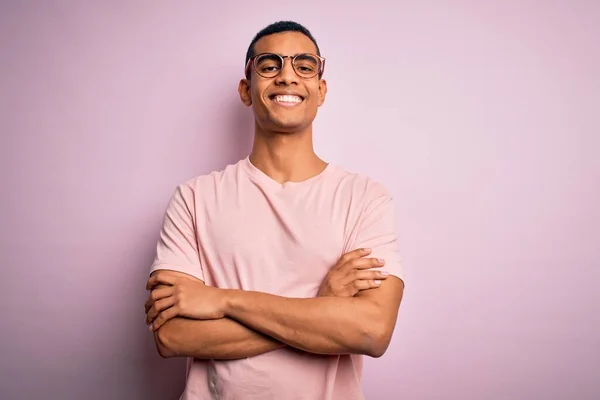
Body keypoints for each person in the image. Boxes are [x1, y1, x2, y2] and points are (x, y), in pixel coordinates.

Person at [144, 20, 405, 400]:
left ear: (321, 89)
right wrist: (322, 309)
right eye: (269, 65)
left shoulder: (364, 198)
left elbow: (372, 330)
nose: (287, 76)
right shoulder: (194, 198)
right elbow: (172, 335)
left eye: (304, 66)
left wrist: (223, 300)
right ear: (246, 90)